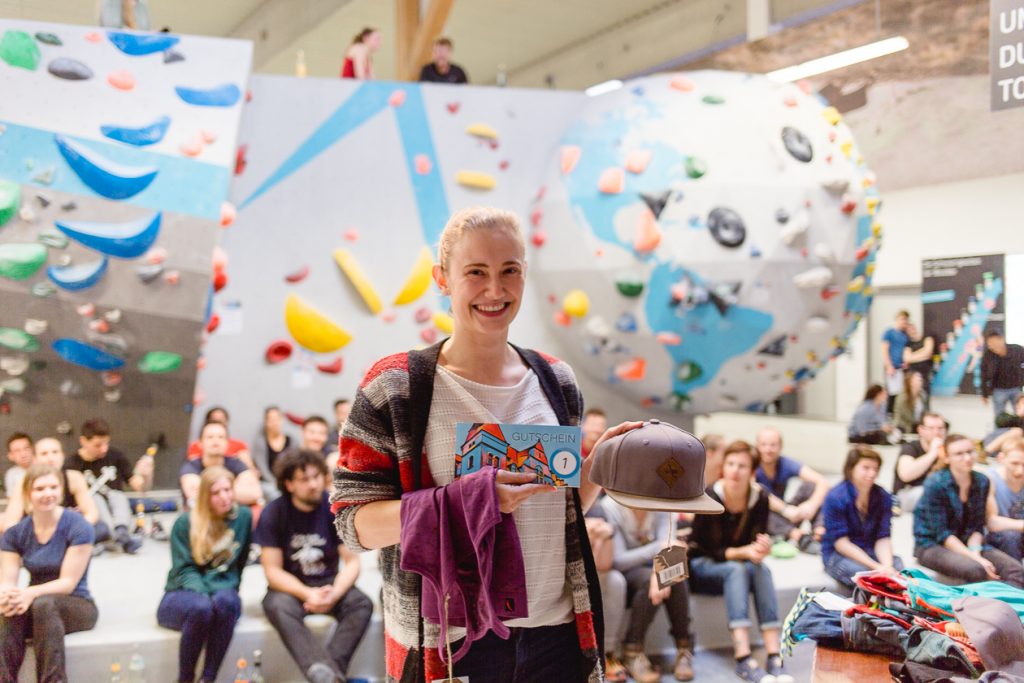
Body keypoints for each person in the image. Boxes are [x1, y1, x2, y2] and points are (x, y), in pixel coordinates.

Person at [332, 206, 638, 683]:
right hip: (452, 642)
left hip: (556, 633)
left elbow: (557, 512)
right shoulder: (396, 387)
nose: (495, 290)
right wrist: (468, 503)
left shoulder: (556, 381)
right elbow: (354, 526)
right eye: (476, 272)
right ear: (443, 279)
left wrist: (597, 470)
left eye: (509, 271)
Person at [258, 449, 372, 683]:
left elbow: (352, 562)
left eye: (316, 476)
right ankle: (330, 676)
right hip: (293, 588)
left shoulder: (335, 509)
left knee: (361, 603)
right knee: (276, 605)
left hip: (329, 584)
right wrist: (308, 593)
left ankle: (325, 674)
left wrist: (334, 594)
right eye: (304, 479)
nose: (313, 484)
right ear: (289, 484)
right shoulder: (274, 512)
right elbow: (272, 571)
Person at [689, 441, 791, 683]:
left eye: (742, 466)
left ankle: (774, 653)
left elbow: (758, 539)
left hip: (736, 564)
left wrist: (761, 548)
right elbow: (711, 550)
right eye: (731, 464)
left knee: (761, 570)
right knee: (737, 570)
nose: (735, 470)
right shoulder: (711, 496)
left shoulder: (760, 497)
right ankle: (743, 656)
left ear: (752, 472)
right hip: (702, 564)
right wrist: (746, 552)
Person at [0, 463, 97, 682]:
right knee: (9, 610)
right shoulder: (15, 533)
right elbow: (7, 580)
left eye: (53, 487)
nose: (48, 494)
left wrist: (29, 593)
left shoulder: (79, 527)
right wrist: (7, 596)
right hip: (35, 603)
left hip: (76, 603)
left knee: (44, 604)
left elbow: (68, 583)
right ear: (28, 493)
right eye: (40, 489)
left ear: (61, 491)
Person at [158, 466, 252, 683]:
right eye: (216, 493)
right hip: (183, 593)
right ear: (204, 496)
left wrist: (230, 590)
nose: (224, 497)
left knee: (226, 601)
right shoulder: (185, 522)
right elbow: (184, 569)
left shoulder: (244, 517)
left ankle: (208, 678)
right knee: (203, 608)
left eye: (228, 490)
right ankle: (185, 679)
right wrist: (209, 595)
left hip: (222, 591)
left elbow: (241, 561)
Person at [913, 434, 1024, 588]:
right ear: (947, 458)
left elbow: (977, 526)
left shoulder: (981, 481)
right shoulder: (935, 483)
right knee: (976, 569)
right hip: (932, 545)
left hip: (969, 543)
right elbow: (942, 534)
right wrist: (975, 558)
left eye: (970, 452)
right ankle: (981, 609)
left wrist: (976, 553)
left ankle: (1008, 608)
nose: (967, 458)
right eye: (959, 454)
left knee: (1015, 570)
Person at [604, 499, 693, 683]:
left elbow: (670, 548)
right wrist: (657, 551)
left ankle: (683, 649)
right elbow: (618, 560)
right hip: (624, 572)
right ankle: (632, 651)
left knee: (677, 576)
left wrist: (658, 571)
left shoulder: (662, 505)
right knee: (650, 580)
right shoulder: (610, 507)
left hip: (652, 567)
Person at [65, 418, 151, 553]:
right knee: (95, 499)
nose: (104, 449)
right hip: (93, 511)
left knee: (117, 496)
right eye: (98, 445)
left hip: (115, 507)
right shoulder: (72, 464)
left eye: (106, 443)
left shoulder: (115, 456)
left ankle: (121, 532)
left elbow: (139, 486)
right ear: (83, 441)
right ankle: (119, 537)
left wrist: (145, 475)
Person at [821, 447, 903, 589]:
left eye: (875, 469)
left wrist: (887, 567)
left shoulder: (883, 496)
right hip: (839, 555)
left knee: (900, 569)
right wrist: (877, 567)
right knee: (867, 577)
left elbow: (883, 537)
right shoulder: (835, 497)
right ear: (851, 469)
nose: (872, 473)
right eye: (866, 468)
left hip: (870, 551)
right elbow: (841, 543)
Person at [2, 438, 104, 542]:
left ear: (62, 455)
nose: (50, 458)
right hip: (36, 534)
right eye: (44, 454)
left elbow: (91, 513)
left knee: (101, 528)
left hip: (68, 532)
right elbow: (10, 522)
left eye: (55, 452)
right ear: (35, 458)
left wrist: (73, 530)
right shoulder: (24, 482)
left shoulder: (74, 478)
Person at [755, 427, 827, 554]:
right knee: (761, 503)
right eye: (764, 445)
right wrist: (785, 509)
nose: (768, 449)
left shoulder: (785, 463)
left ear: (780, 447)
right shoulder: (753, 465)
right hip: (766, 519)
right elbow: (755, 489)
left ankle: (819, 533)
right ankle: (799, 537)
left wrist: (811, 505)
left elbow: (822, 481)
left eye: (773, 445)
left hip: (786, 516)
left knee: (811, 486)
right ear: (757, 446)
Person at [583, 499, 627, 683]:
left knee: (615, 581)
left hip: (586, 568)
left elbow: (603, 565)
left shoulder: (597, 508)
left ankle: (606, 653)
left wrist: (604, 536)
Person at [180, 422, 260, 511]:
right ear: (200, 443)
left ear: (227, 443)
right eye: (210, 437)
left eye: (221, 437)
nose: (216, 441)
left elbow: (255, 493)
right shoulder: (191, 467)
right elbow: (194, 496)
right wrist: (233, 488)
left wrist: (211, 491)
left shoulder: (236, 463)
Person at [893, 412, 947, 513]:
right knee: (927, 492)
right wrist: (932, 454)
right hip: (907, 494)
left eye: (940, 428)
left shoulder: (946, 450)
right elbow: (905, 474)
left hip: (936, 496)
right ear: (921, 430)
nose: (937, 432)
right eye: (931, 428)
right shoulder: (910, 448)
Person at [984, 437, 1024, 562]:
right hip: (997, 536)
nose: (1020, 470)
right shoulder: (990, 479)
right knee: (1011, 537)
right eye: (1014, 463)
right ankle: (1016, 580)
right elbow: (991, 522)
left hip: (1019, 532)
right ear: (1001, 458)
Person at [981, 329, 1024, 425]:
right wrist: (984, 394)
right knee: (999, 417)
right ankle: (1000, 434)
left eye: (993, 342)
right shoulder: (988, 355)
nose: (991, 345)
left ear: (1001, 339)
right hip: (999, 390)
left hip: (1016, 388)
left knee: (1021, 414)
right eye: (989, 343)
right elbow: (984, 374)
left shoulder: (1017, 350)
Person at [186, 406, 253, 466]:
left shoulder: (239, 446)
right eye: (210, 437)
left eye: (221, 417)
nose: (218, 420)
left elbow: (250, 469)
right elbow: (192, 466)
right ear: (201, 444)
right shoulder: (195, 446)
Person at [252, 406, 292, 501]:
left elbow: (293, 464)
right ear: (266, 422)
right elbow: (262, 468)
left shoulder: (291, 440)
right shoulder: (260, 442)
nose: (275, 422)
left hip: (288, 480)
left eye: (277, 418)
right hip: (268, 482)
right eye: (271, 419)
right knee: (276, 495)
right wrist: (276, 483)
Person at [881, 310, 910, 414]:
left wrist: (906, 362)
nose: (904, 322)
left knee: (901, 393)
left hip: (901, 368)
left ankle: (898, 413)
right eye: (902, 319)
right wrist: (889, 366)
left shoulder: (905, 335)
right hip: (892, 367)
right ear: (897, 319)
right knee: (891, 393)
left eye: (906, 320)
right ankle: (888, 413)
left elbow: (907, 350)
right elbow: (884, 349)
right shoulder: (889, 333)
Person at [903, 323, 935, 400]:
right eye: (908, 330)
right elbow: (907, 358)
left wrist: (913, 356)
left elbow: (928, 352)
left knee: (925, 398)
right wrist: (922, 354)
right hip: (913, 374)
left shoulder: (927, 339)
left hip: (925, 375)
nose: (911, 331)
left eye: (912, 328)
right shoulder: (908, 344)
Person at [4, 433, 33, 497]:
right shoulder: (11, 474)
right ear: (10, 456)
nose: (23, 454)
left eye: (26, 448)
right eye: (17, 451)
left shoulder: (44, 468)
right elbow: (11, 498)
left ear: (33, 449)